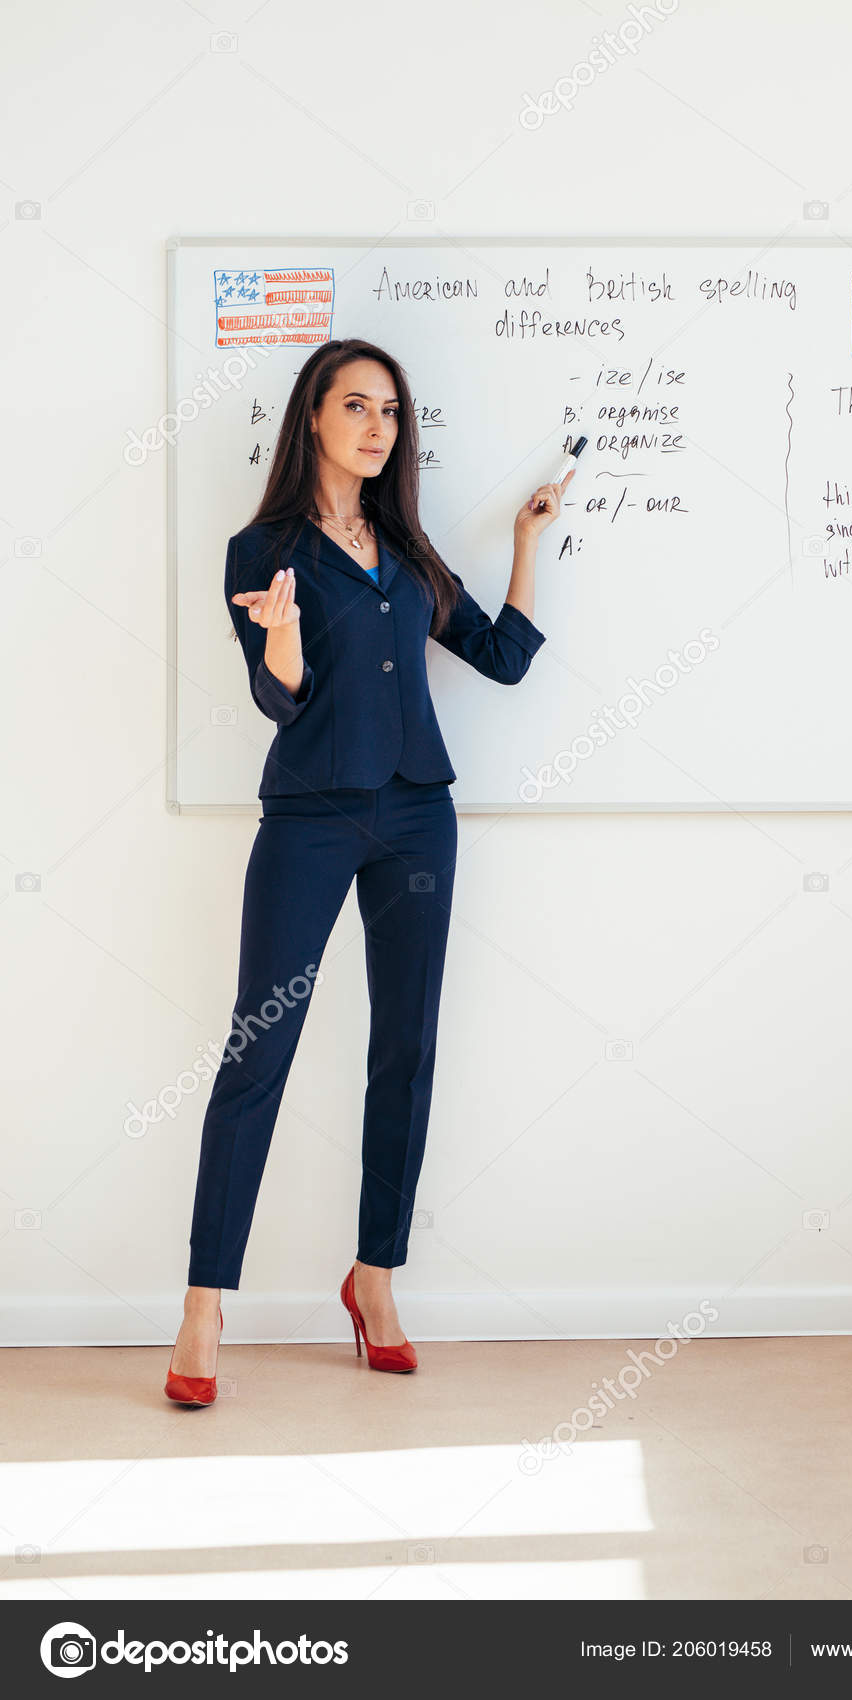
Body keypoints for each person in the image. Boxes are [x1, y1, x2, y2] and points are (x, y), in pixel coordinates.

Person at [164, 337, 571, 1400]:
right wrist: (284, 640)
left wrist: (527, 542)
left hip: (418, 818)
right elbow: (278, 698)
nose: (377, 426)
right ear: (314, 416)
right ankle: (203, 1306)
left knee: (407, 1049)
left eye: (390, 410)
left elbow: (503, 659)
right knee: (258, 1050)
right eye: (356, 405)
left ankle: (375, 1279)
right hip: (310, 817)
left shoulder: (410, 550)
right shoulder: (261, 549)